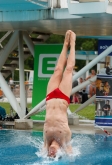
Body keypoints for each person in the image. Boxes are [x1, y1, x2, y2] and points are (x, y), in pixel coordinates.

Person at [43, 30, 76, 158]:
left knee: (57, 69)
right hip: (62, 98)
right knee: (68, 70)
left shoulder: (46, 143)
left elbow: (40, 158)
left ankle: (65, 43)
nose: (51, 152)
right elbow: (72, 155)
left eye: (49, 154)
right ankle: (72, 43)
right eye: (54, 154)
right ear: (58, 152)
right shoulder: (64, 141)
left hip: (50, 97)